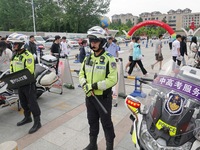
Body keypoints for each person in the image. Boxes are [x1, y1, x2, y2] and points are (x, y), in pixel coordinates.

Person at [79, 26, 118, 150]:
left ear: (102, 42)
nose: (93, 44)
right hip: (90, 97)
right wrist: (85, 84)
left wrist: (94, 86)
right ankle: (92, 144)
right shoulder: (88, 58)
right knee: (92, 121)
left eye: (96, 41)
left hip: (103, 98)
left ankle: (109, 147)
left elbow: (112, 79)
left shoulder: (109, 59)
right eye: (91, 41)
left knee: (106, 124)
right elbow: (81, 73)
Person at [10, 39, 41, 134]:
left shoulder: (28, 56)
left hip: (28, 84)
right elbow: (12, 68)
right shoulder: (15, 55)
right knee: (23, 102)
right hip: (19, 83)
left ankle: (37, 122)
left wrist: (18, 78)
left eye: (15, 44)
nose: (14, 46)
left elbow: (29, 71)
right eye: (13, 44)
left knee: (32, 103)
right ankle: (27, 118)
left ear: (21, 45)